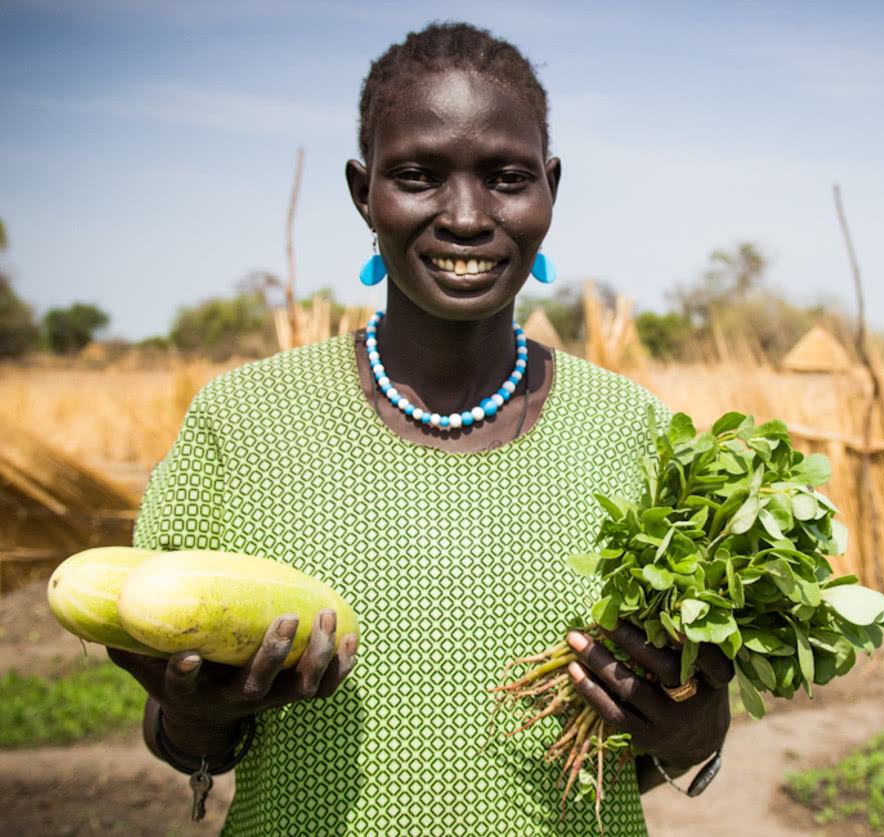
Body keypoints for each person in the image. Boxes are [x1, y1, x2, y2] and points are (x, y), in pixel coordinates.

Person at [106, 22, 732, 836]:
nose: (466, 216)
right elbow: (180, 733)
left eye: (506, 177)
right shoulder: (244, 420)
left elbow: (647, 737)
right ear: (363, 191)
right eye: (417, 175)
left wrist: (696, 732)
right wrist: (193, 719)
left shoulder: (633, 431)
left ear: (550, 186)